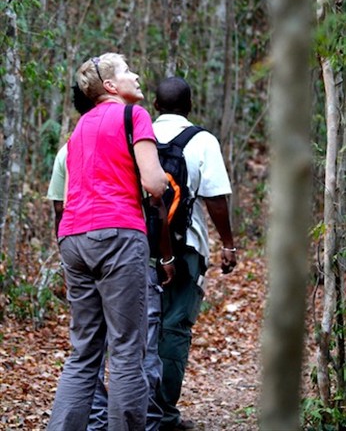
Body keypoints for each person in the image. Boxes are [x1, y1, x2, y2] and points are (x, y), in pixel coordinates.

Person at [47, 52, 171, 431]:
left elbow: (67, 193)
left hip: (73, 238)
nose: (137, 76)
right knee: (127, 352)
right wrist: (161, 184)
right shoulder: (134, 116)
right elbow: (153, 183)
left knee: (84, 352)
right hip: (118, 233)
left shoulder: (79, 128)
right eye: (128, 71)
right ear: (112, 87)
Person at [152, 76, 238, 431]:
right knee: (174, 327)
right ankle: (162, 414)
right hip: (185, 246)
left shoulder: (137, 135)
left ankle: (133, 409)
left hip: (133, 244)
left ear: (155, 106)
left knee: (140, 327)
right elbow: (215, 199)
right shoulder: (202, 140)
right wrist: (228, 244)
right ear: (189, 106)